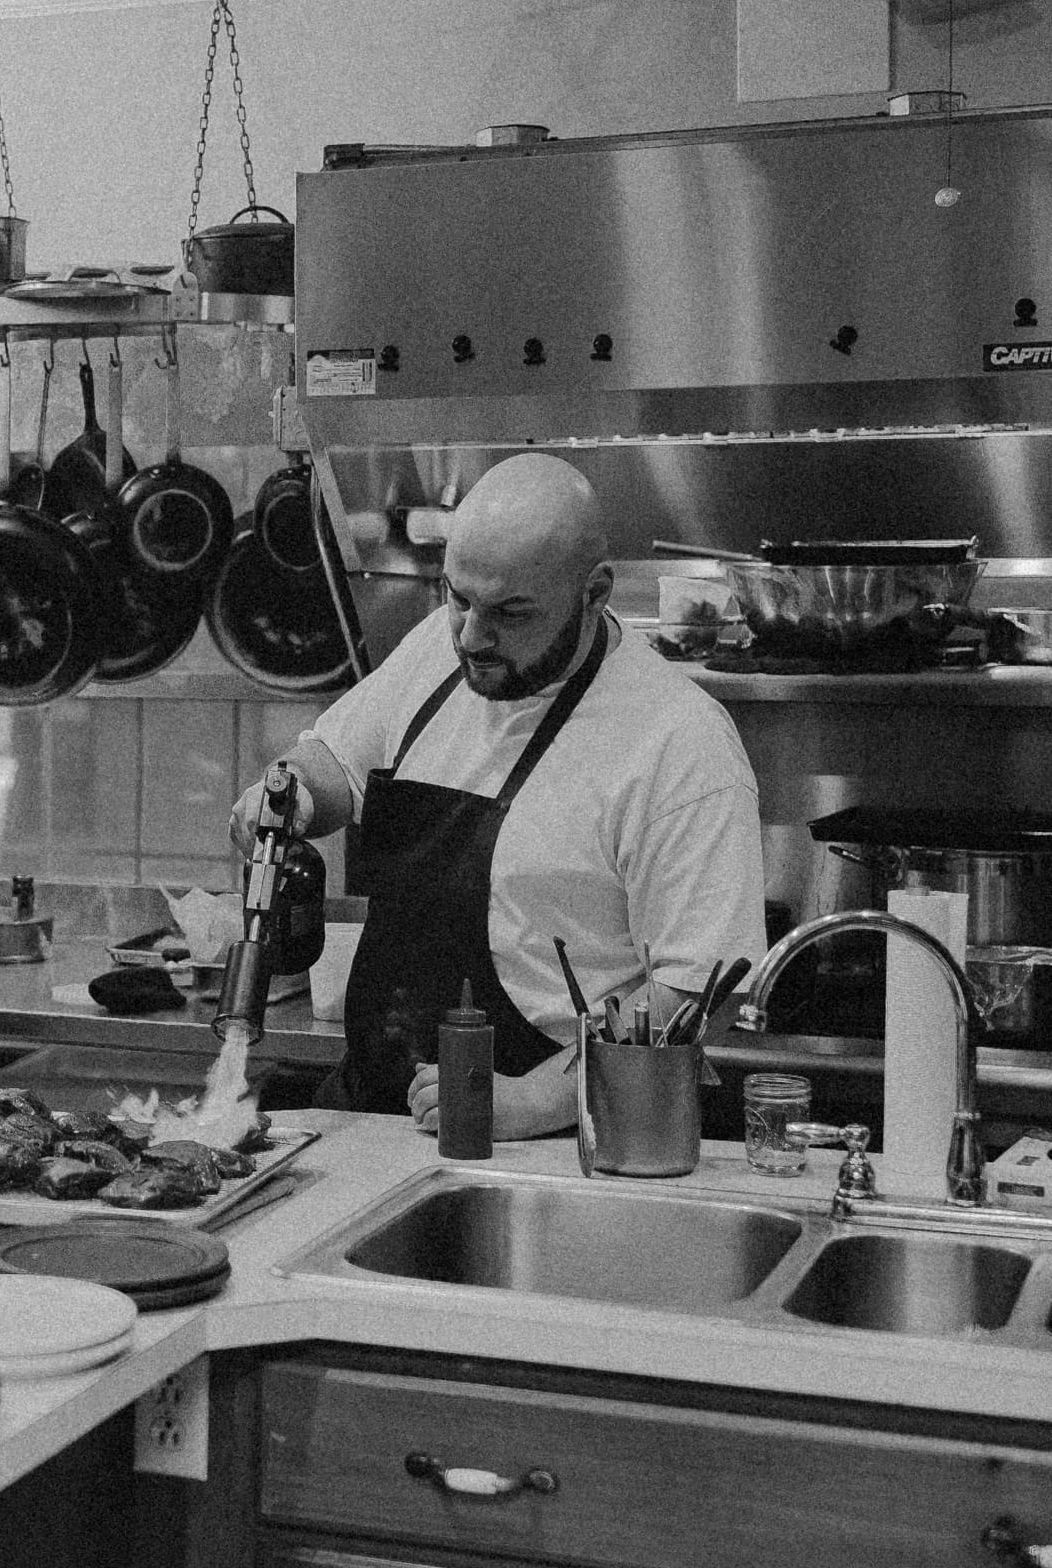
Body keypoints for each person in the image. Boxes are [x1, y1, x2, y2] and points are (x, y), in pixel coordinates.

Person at [231, 453, 765, 1136]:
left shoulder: (678, 742)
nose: (473, 637)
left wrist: (535, 1101)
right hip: (382, 1114)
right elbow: (335, 757)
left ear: (595, 592)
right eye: (458, 598)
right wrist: (294, 792)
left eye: (512, 613)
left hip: (557, 1144)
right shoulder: (437, 649)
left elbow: (699, 994)